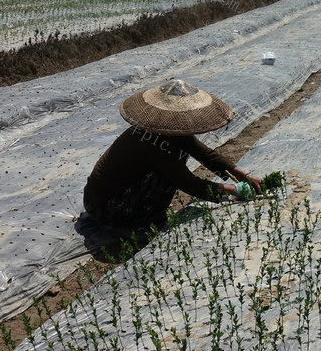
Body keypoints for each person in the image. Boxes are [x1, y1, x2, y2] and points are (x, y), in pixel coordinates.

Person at [83, 79, 263, 235]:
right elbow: (187, 182)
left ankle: (147, 215)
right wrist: (235, 190)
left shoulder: (171, 132)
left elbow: (205, 154)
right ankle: (137, 224)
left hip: (118, 194)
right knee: (165, 173)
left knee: (176, 159)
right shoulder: (150, 141)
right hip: (104, 205)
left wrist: (243, 175)